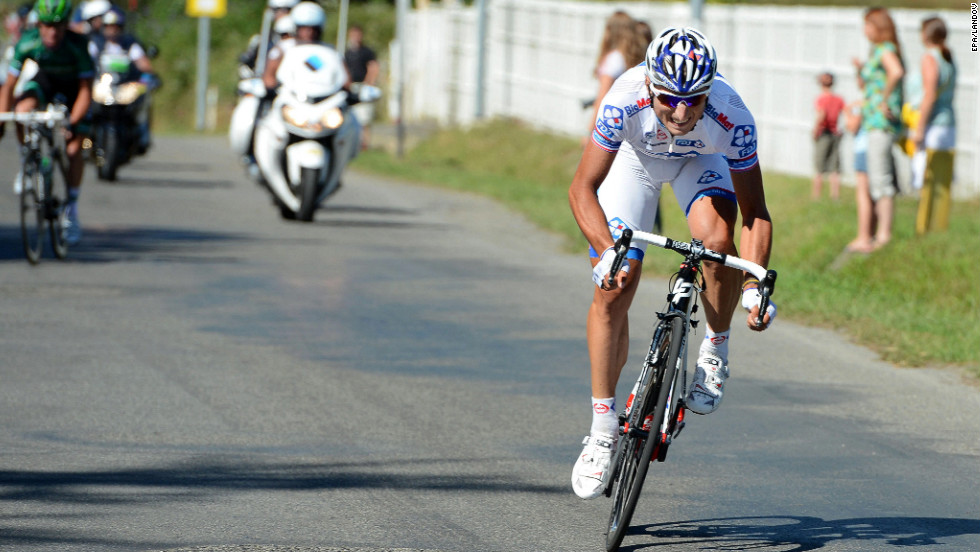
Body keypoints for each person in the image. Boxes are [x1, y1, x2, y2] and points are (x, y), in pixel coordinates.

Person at [567, 27, 775, 499]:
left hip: (697, 164)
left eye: (694, 101)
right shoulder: (622, 100)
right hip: (633, 163)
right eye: (668, 100)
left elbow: (755, 213)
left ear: (710, 90)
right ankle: (602, 433)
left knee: (717, 243)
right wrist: (605, 252)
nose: (681, 113)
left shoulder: (732, 115)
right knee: (615, 286)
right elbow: (582, 189)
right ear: (648, 86)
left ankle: (715, 348)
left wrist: (754, 286)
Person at [0, 0, 94, 245]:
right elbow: (9, 86)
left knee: (74, 149)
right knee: (22, 109)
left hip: (74, 91)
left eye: (59, 26)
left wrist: (71, 123)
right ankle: (26, 161)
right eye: (47, 26)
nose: (53, 32)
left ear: (66, 25)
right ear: (38, 25)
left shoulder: (77, 45)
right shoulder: (28, 41)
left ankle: (71, 209)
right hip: (46, 83)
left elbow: (86, 91)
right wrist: (2, 120)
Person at [852, 7, 903, 250]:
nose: (865, 30)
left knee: (881, 179)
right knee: (877, 178)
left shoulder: (884, 50)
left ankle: (884, 236)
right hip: (872, 122)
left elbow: (896, 72)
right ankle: (880, 234)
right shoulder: (877, 51)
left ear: (878, 26)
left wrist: (884, 99)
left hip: (880, 123)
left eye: (868, 25)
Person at [909, 16, 956, 234]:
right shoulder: (949, 57)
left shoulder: (929, 58)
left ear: (926, 34)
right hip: (947, 123)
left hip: (932, 123)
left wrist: (919, 128)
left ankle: (923, 226)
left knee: (924, 178)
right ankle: (938, 225)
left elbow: (929, 95)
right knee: (940, 179)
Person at [87, 9, 157, 152]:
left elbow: (142, 63)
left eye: (116, 27)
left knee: (143, 103)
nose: (112, 30)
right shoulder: (96, 44)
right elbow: (87, 62)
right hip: (103, 86)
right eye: (109, 26)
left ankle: (142, 135)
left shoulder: (129, 44)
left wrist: (149, 75)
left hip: (124, 87)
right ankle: (86, 135)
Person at [585, 10, 645, 143]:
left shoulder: (613, 59)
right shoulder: (634, 58)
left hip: (612, 124)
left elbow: (602, 97)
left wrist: (589, 131)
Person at [844, 99, 875, 253]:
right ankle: (872, 233)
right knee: (873, 195)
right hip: (875, 149)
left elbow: (852, 126)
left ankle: (864, 237)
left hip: (863, 149)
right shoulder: (877, 101)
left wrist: (847, 111)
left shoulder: (862, 104)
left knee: (863, 194)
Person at [239, 0, 298, 78]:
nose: (280, 14)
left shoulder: (302, 40)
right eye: (277, 10)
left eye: (286, 10)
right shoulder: (262, 40)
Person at [343, 24, 378, 150]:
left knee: (364, 119)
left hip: (363, 87)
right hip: (351, 87)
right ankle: (353, 143)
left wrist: (368, 84)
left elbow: (373, 67)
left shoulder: (367, 52)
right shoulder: (347, 53)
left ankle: (365, 144)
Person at [811, 71, 844, 200]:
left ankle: (816, 196)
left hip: (824, 133)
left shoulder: (821, 98)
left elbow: (822, 114)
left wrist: (815, 130)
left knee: (819, 167)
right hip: (835, 133)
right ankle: (835, 196)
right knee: (834, 167)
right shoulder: (839, 99)